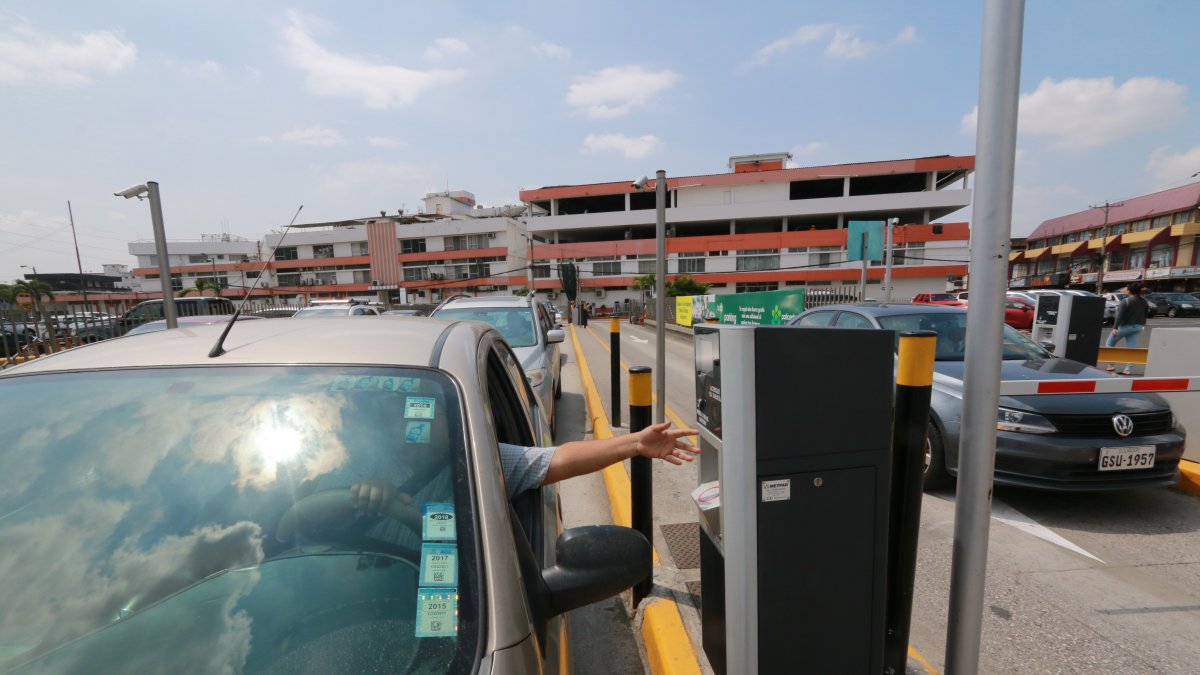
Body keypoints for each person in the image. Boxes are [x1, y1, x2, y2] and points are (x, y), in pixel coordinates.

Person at [348, 420, 699, 526]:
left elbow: (557, 459)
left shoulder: (482, 462)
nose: (408, 430)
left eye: (422, 417)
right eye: (394, 419)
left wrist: (635, 443)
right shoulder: (359, 468)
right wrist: (363, 492)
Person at [1105, 285, 1149, 375]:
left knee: (1109, 344)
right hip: (1138, 327)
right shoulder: (1144, 301)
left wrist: (1114, 328)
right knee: (1132, 348)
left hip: (1125, 327)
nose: (1125, 291)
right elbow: (1145, 314)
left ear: (1129, 291)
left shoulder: (1126, 301)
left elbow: (1119, 316)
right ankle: (1128, 369)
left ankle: (1110, 365)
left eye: (1126, 290)